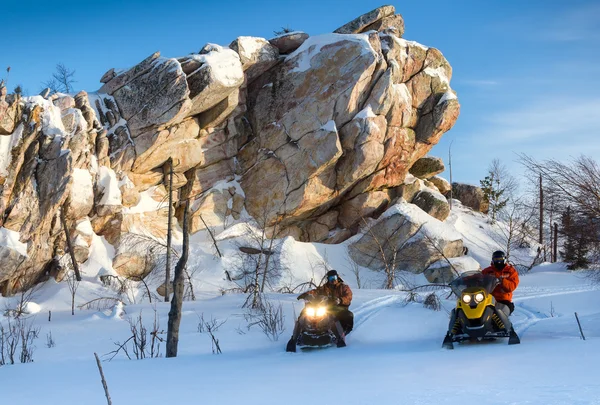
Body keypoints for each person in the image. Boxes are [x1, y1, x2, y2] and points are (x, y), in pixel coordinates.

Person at [482, 250, 519, 315]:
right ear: (493, 260)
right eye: (496, 259)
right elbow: (478, 278)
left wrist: (502, 280)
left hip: (503, 300)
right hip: (488, 298)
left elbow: (512, 286)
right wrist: (468, 279)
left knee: (501, 314)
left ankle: (504, 324)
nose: (498, 261)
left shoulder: (510, 271)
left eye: (500, 259)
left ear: (504, 259)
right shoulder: (487, 271)